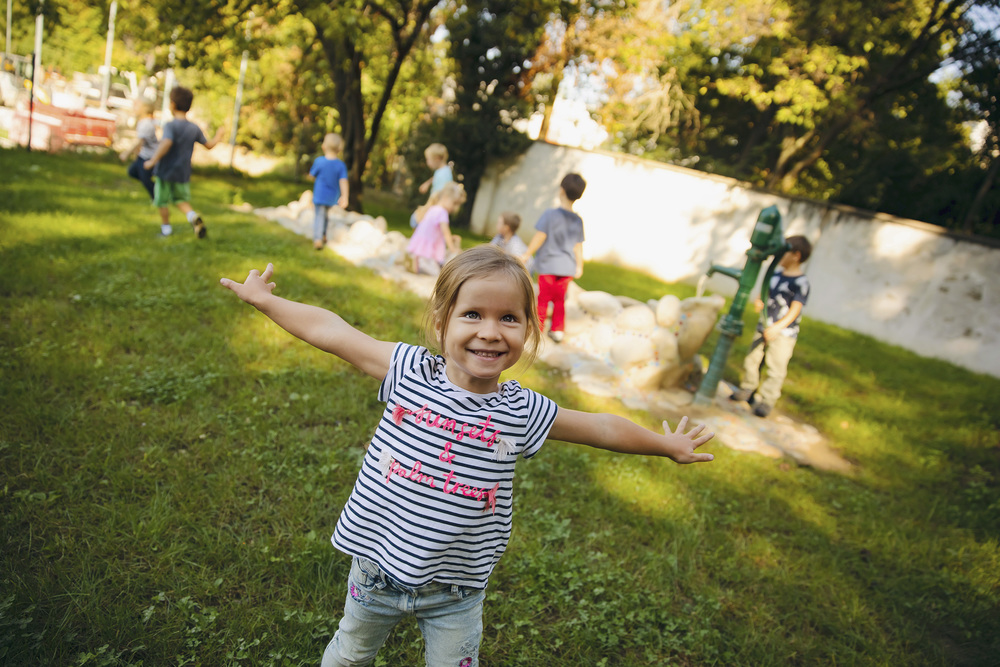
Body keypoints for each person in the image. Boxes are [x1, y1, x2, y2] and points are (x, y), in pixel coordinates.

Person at [218, 245, 715, 667]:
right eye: (473, 314)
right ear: (442, 322)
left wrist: (664, 444)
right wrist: (266, 301)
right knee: (350, 654)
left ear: (528, 330)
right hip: (377, 571)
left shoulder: (522, 410)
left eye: (509, 318)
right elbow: (334, 332)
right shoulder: (411, 371)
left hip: (455, 590)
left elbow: (601, 427)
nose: (491, 331)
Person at [729, 235, 813, 417]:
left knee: (776, 367)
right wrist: (760, 301)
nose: (779, 256)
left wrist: (778, 327)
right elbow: (765, 292)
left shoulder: (801, 282)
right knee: (753, 358)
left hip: (783, 333)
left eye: (784, 253)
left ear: (796, 255)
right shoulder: (775, 274)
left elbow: (796, 309)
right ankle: (748, 388)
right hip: (763, 325)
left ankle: (767, 400)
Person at [143, 86, 225, 239]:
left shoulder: (170, 125)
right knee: (180, 199)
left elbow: (166, 143)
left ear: (172, 105)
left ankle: (166, 230)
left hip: (165, 171)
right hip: (182, 173)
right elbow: (209, 145)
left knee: (161, 201)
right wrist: (219, 136)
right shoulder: (194, 128)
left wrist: (152, 161)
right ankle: (193, 216)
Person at [519, 173, 587, 343]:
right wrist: (579, 266)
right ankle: (557, 330)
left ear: (561, 190)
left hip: (548, 266)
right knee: (559, 301)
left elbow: (540, 236)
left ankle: (538, 329)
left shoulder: (550, 214)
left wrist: (527, 254)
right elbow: (578, 246)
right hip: (567, 268)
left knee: (543, 300)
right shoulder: (578, 220)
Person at [406, 181, 465, 276]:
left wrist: (450, 238)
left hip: (421, 245)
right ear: (446, 197)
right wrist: (453, 249)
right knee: (437, 273)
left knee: (430, 264)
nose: (455, 208)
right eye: (454, 203)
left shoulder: (433, 208)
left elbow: (436, 232)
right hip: (428, 250)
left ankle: (416, 262)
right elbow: (446, 233)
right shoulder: (442, 213)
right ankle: (419, 267)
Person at [308, 132, 350, 250]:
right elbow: (343, 181)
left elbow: (311, 175)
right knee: (325, 216)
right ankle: (323, 235)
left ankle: (318, 239)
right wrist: (345, 196)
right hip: (332, 197)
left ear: (323, 146)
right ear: (339, 149)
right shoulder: (340, 165)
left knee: (319, 216)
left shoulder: (319, 161)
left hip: (319, 195)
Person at [119, 101, 159, 201]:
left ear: (144, 109)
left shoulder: (147, 124)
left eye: (137, 106)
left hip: (149, 157)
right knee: (132, 172)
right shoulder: (142, 122)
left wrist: (126, 153)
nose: (134, 108)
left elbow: (140, 141)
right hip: (143, 155)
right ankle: (158, 191)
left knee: (145, 179)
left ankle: (157, 197)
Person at [411, 143, 454, 228]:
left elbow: (440, 194)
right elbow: (435, 177)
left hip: (436, 207)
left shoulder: (443, 174)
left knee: (415, 220)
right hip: (434, 206)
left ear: (437, 159)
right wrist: (427, 183)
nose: (427, 162)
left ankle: (419, 236)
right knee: (416, 220)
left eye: (428, 159)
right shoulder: (442, 170)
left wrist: (428, 207)